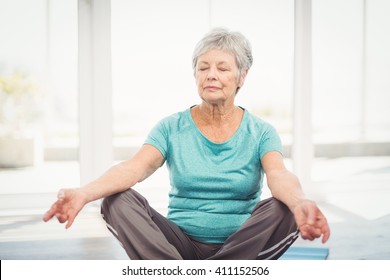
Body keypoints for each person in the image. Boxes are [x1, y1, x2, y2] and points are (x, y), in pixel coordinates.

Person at [43, 28, 330, 260]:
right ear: (195, 75)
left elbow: (278, 175)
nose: (211, 75)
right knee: (117, 200)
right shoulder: (171, 127)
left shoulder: (261, 132)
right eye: (203, 67)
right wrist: (83, 192)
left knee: (285, 208)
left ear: (242, 76)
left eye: (222, 68)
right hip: (177, 247)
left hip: (240, 247)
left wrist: (299, 201)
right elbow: (134, 168)